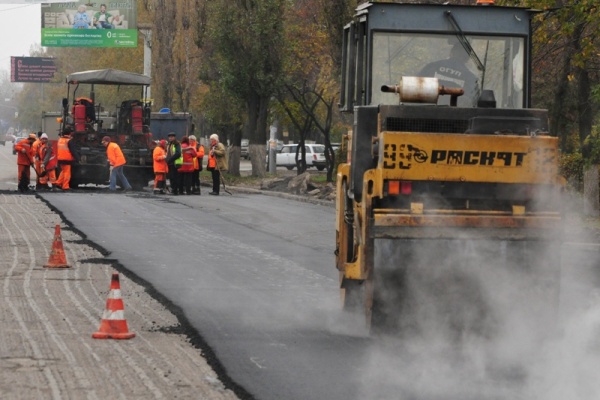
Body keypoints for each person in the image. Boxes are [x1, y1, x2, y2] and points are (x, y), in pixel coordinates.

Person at [419, 41, 480, 106]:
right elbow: (473, 103)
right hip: (456, 114)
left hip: (425, 112)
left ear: (451, 53)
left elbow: (414, 89)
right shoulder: (471, 78)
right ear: (467, 58)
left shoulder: (431, 67)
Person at [55, 126, 79, 191]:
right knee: (67, 173)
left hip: (60, 159)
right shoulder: (69, 141)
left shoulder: (60, 140)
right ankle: (65, 186)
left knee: (63, 171)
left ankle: (58, 183)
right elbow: (73, 151)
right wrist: (77, 158)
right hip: (67, 159)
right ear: (69, 133)